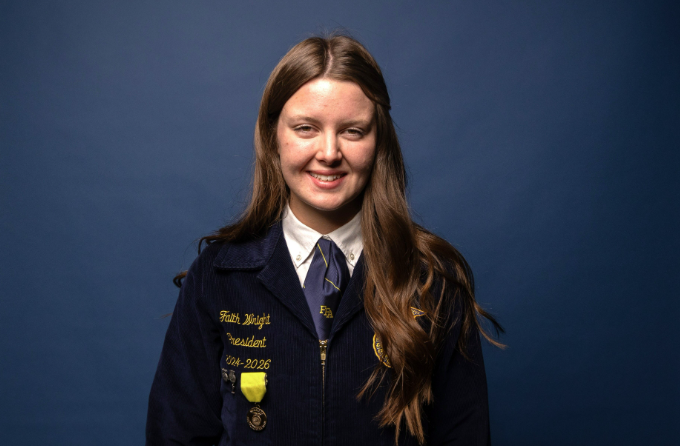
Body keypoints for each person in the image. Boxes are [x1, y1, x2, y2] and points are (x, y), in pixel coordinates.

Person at [146, 34, 503, 446]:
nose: (329, 152)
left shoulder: (432, 279)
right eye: (306, 128)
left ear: (378, 141)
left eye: (353, 131)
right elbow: (175, 435)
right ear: (273, 136)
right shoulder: (219, 276)